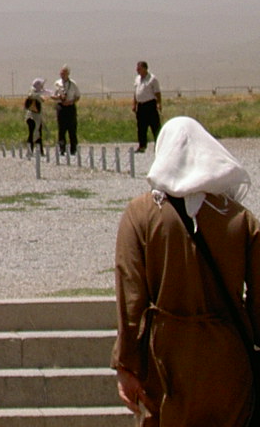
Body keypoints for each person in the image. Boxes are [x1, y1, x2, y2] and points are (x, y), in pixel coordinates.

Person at [112, 116, 259, 424]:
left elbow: (131, 299)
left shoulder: (140, 215)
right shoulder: (240, 219)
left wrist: (126, 364)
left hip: (166, 362)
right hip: (228, 360)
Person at [133, 61, 163, 153]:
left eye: (139, 68)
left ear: (145, 68)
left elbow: (157, 92)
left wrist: (159, 103)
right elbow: (135, 92)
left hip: (150, 105)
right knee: (141, 127)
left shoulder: (152, 79)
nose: (137, 70)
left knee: (155, 126)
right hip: (141, 106)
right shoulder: (137, 79)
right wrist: (134, 104)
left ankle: (159, 146)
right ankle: (142, 146)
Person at [52, 65, 81, 156]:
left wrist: (71, 101)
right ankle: (62, 148)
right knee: (61, 129)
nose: (62, 75)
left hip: (70, 107)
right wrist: (59, 97)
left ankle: (73, 149)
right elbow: (52, 96)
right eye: (61, 73)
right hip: (61, 107)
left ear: (68, 74)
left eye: (64, 73)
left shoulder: (73, 84)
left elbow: (78, 96)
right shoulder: (57, 83)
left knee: (72, 128)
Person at [23, 78, 46, 152]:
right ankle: (30, 150)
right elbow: (33, 96)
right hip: (31, 117)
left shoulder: (37, 92)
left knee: (38, 133)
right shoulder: (32, 92)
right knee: (32, 133)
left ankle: (40, 151)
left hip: (37, 117)